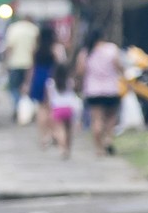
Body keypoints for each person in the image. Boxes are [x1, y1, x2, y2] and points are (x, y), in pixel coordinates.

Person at [78, 29, 124, 157]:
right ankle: (108, 139)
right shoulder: (111, 49)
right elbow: (118, 66)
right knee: (111, 117)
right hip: (111, 89)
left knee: (97, 119)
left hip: (93, 90)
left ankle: (99, 148)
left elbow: (80, 71)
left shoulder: (86, 52)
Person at [28, 24, 60, 148]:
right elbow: (59, 65)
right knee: (51, 108)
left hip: (38, 78)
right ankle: (53, 133)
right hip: (51, 78)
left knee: (41, 108)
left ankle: (43, 136)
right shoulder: (55, 49)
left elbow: (32, 67)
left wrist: (28, 83)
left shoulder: (35, 49)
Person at [3, 13, 38, 108]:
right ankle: (26, 108)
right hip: (29, 63)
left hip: (14, 63)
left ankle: (18, 106)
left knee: (14, 88)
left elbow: (10, 47)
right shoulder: (34, 29)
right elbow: (35, 49)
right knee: (28, 87)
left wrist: (5, 62)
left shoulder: (13, 28)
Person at [47, 62, 80, 159]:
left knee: (60, 130)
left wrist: (50, 110)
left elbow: (50, 99)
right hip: (69, 109)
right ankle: (68, 148)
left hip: (57, 109)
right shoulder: (70, 82)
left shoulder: (50, 83)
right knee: (68, 130)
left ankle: (62, 148)